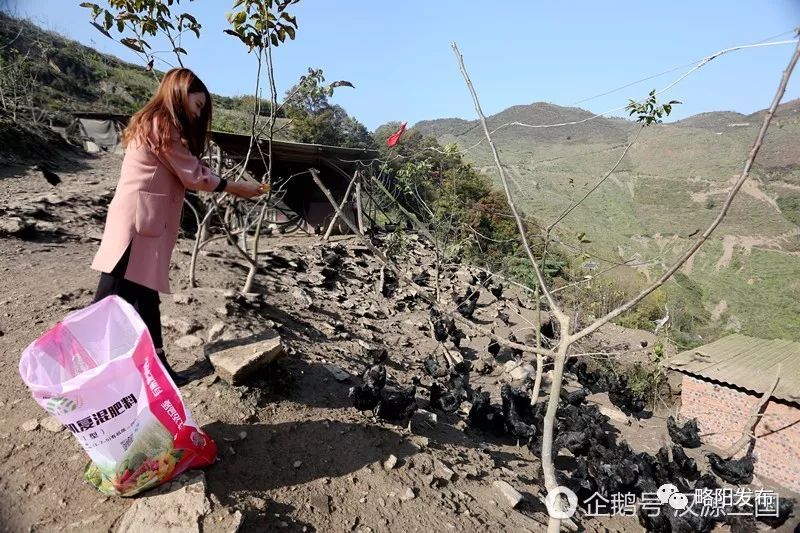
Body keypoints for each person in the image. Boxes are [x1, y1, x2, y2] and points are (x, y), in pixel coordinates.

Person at [90, 68, 265, 385]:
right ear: (179, 92)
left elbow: (187, 165)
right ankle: (86, 372)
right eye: (197, 107)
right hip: (136, 225)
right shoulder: (161, 124)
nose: (198, 115)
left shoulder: (157, 124)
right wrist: (234, 186)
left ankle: (160, 371)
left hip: (144, 224)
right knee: (109, 300)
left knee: (146, 300)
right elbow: (193, 175)